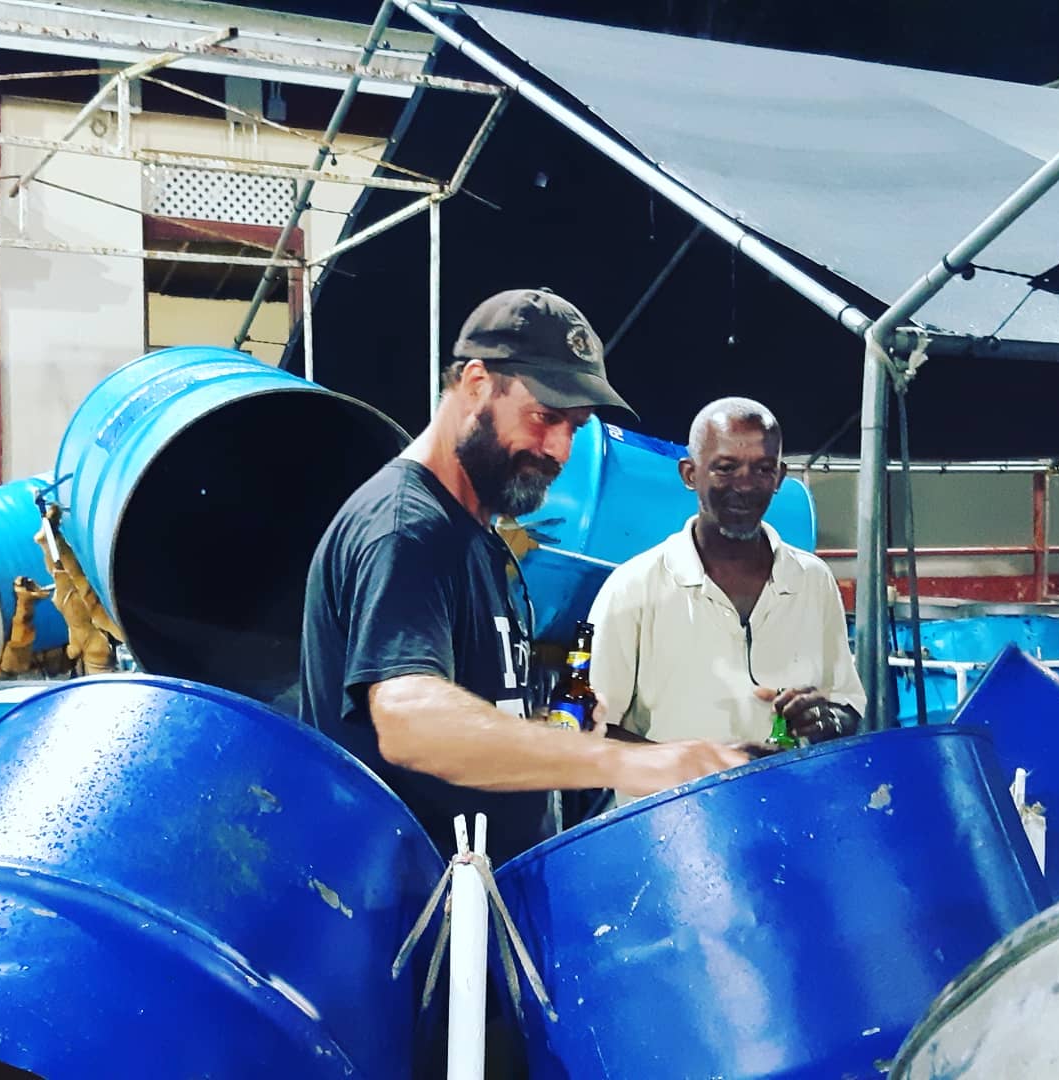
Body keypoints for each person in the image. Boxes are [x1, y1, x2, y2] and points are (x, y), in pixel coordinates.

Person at [299, 289, 749, 866]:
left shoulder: (474, 533)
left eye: (576, 427)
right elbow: (409, 720)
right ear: (478, 384)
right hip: (418, 927)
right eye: (545, 417)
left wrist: (564, 729)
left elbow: (483, 717)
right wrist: (624, 762)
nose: (560, 448)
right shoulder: (405, 529)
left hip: (488, 909)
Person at [588, 396, 866, 750]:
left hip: (790, 803)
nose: (746, 485)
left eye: (763, 469)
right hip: (676, 807)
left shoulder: (813, 580)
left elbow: (848, 707)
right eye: (726, 467)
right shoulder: (633, 588)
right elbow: (589, 730)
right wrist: (702, 768)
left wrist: (827, 720)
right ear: (690, 474)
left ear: (780, 477)